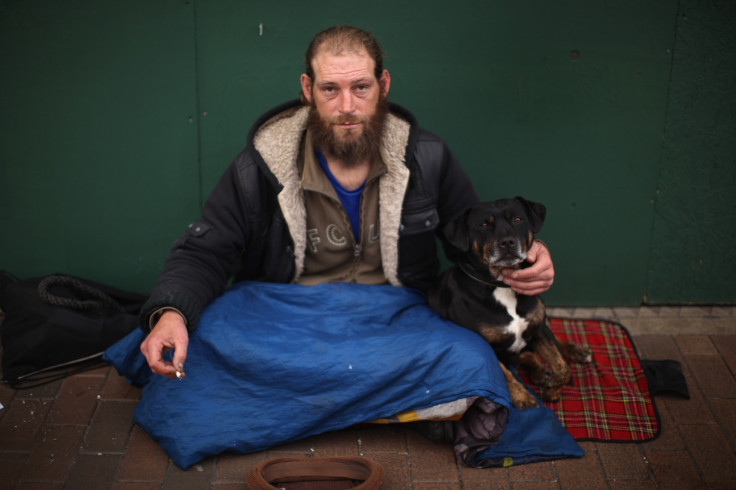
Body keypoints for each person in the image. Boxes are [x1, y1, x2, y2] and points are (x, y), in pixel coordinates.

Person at [139, 25, 554, 378]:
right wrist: (171, 314)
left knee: (464, 356)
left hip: (399, 318)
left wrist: (531, 258)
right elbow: (204, 252)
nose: (347, 107)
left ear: (383, 85)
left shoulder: (427, 156)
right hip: (289, 317)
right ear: (307, 90)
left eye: (361, 87)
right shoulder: (260, 165)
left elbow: (474, 238)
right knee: (198, 348)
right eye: (330, 89)